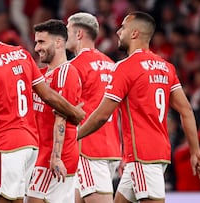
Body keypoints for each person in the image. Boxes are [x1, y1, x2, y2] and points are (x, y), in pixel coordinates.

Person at [0, 11, 85, 203]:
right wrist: (75, 112)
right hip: (30, 146)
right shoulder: (20, 53)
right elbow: (46, 94)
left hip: (5, 145)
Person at [77, 11, 200, 203]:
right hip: (155, 154)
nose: (118, 32)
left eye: (123, 27)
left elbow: (101, 116)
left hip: (142, 157)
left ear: (135, 33)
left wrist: (74, 135)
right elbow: (186, 110)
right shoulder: (166, 67)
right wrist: (195, 151)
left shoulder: (125, 67)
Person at [66, 12, 122, 203]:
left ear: (79, 33)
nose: (65, 35)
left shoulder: (74, 66)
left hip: (88, 149)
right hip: (112, 147)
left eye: (68, 30)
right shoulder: (112, 65)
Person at [26, 19, 81, 203]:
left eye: (41, 42)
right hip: (42, 156)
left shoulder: (66, 72)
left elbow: (61, 116)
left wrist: (56, 157)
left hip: (56, 156)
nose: (36, 48)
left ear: (58, 42)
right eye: (36, 42)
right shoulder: (42, 76)